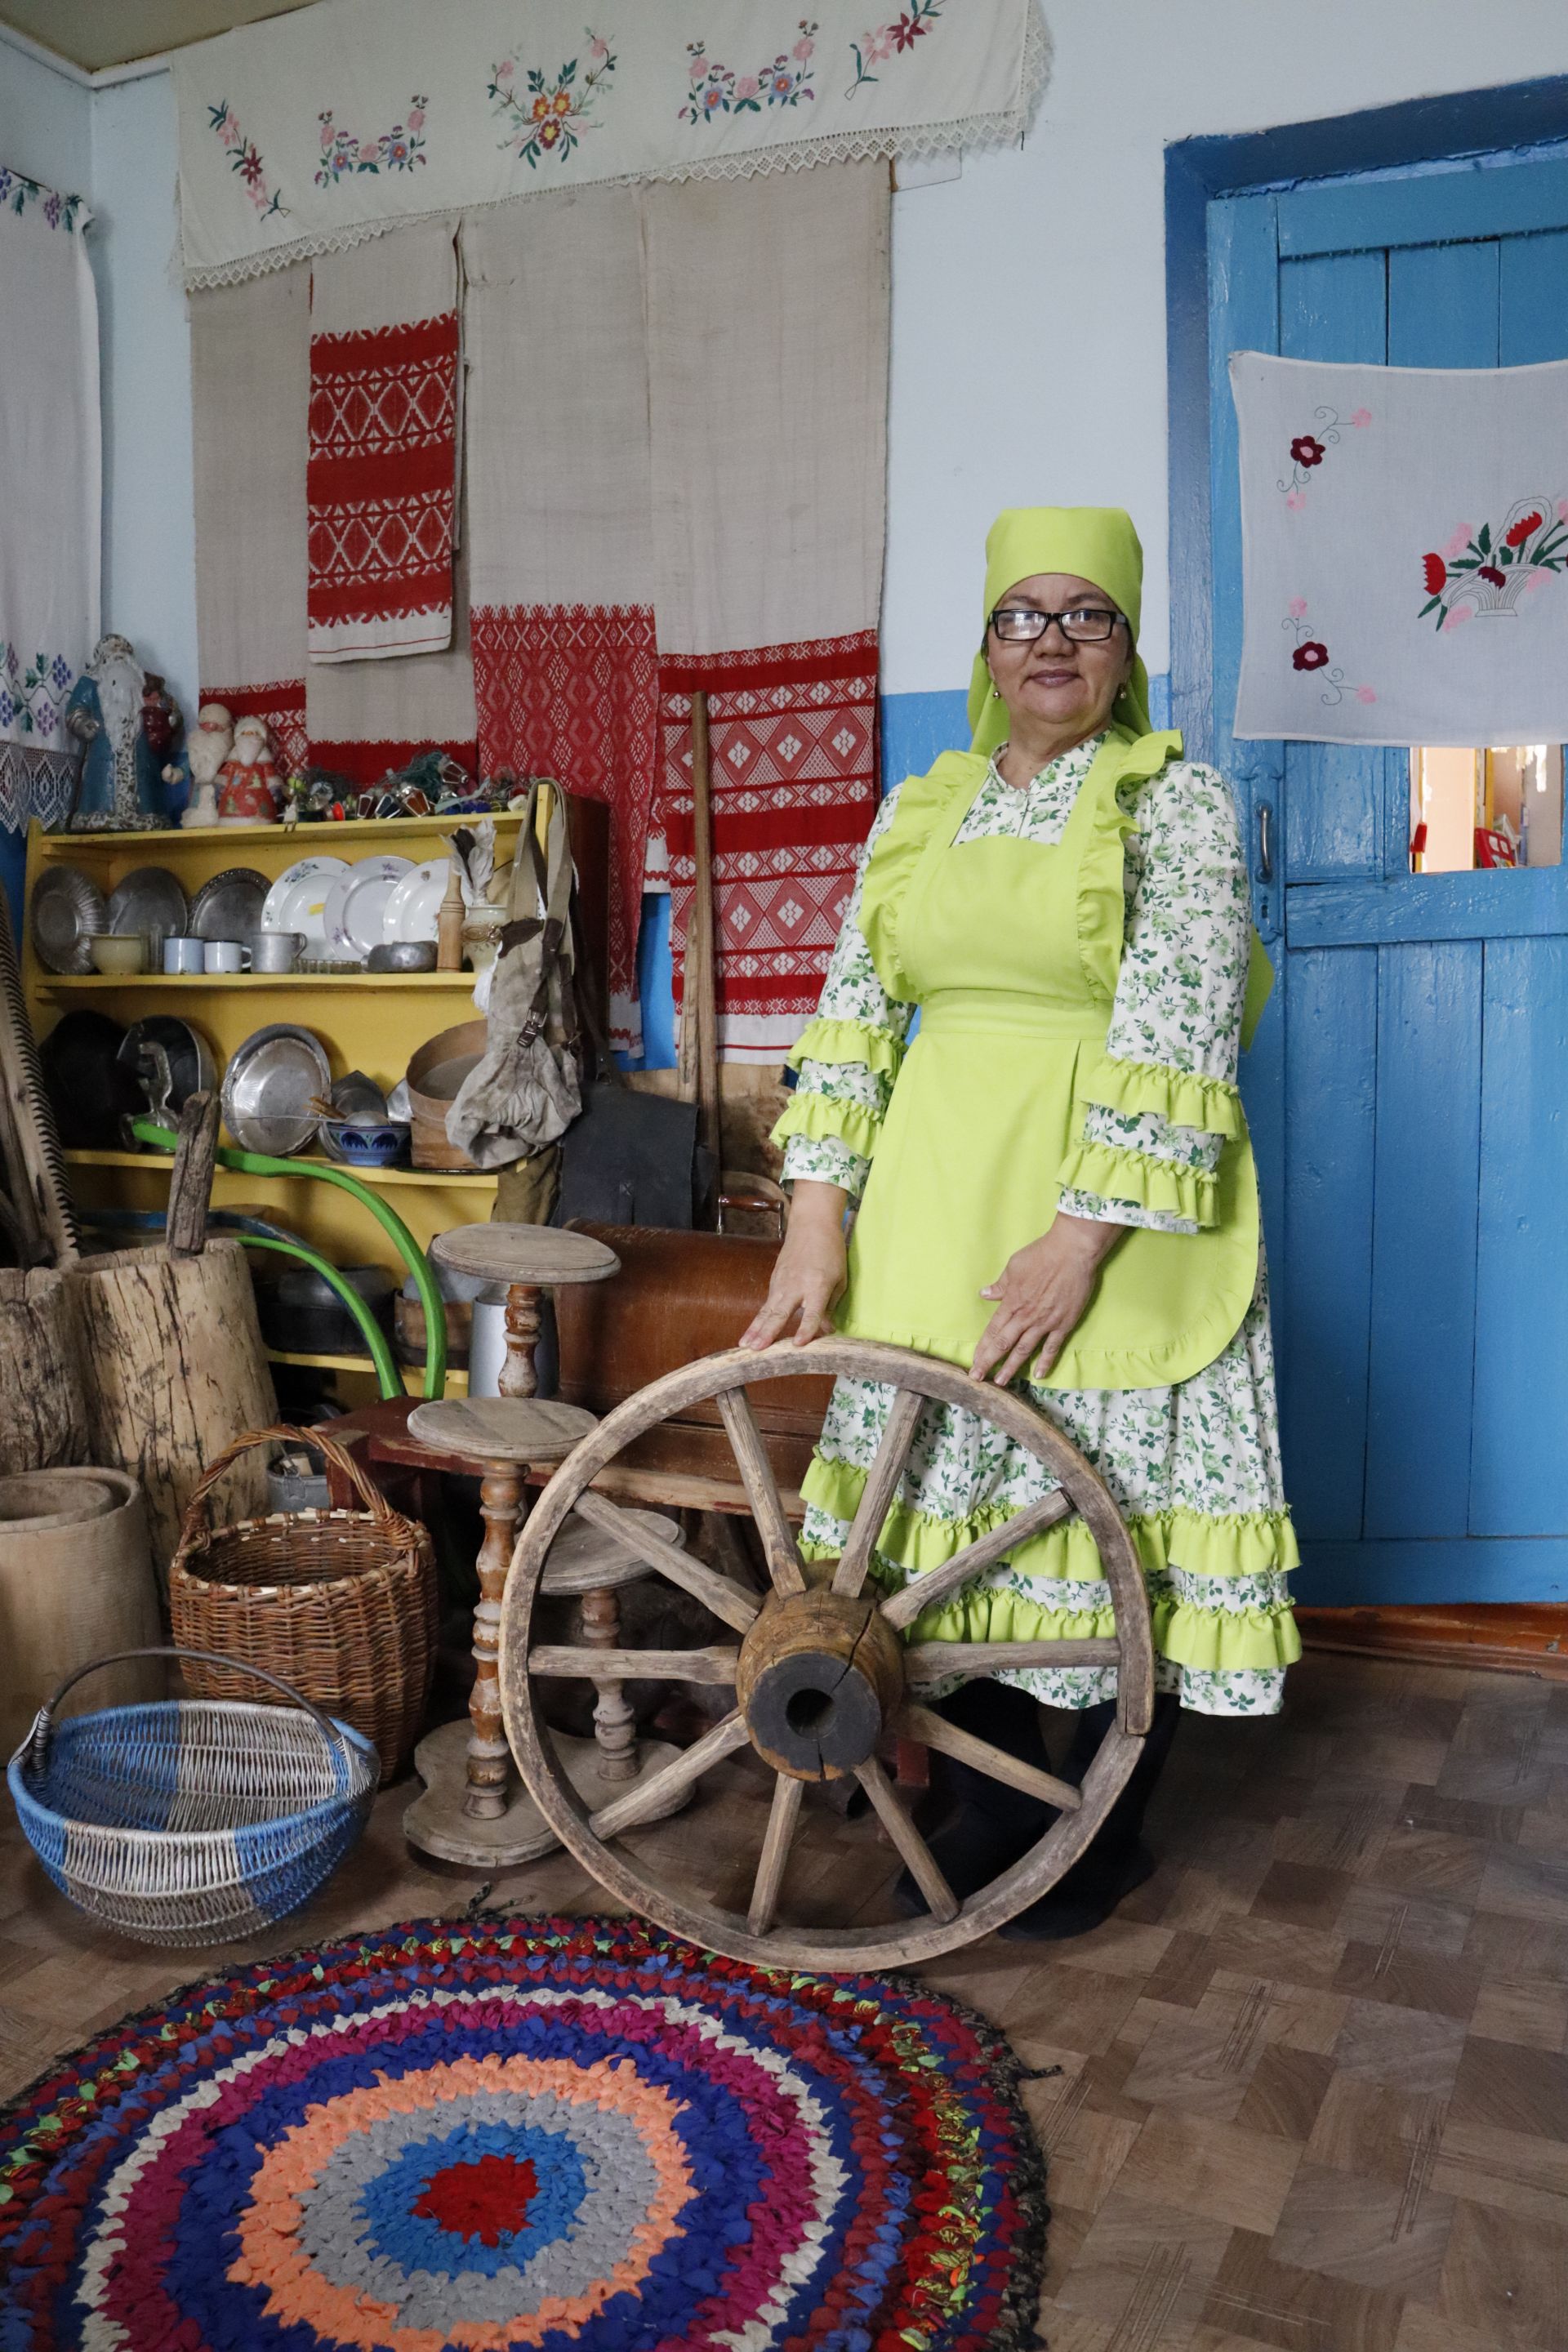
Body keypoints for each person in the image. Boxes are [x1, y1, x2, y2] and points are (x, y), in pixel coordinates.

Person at [745, 506, 1299, 1939]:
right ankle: (993, 1792)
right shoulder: (925, 808)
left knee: (1119, 1515)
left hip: (1111, 1202)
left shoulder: (1175, 800)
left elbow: (1183, 1026)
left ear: (1126, 645)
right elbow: (855, 1013)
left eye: (1087, 614)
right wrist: (817, 1223)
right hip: (936, 1192)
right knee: (951, 1517)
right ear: (987, 643)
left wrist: (1080, 1240)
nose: (1052, 641)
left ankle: (1105, 1822)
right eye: (1022, 616)